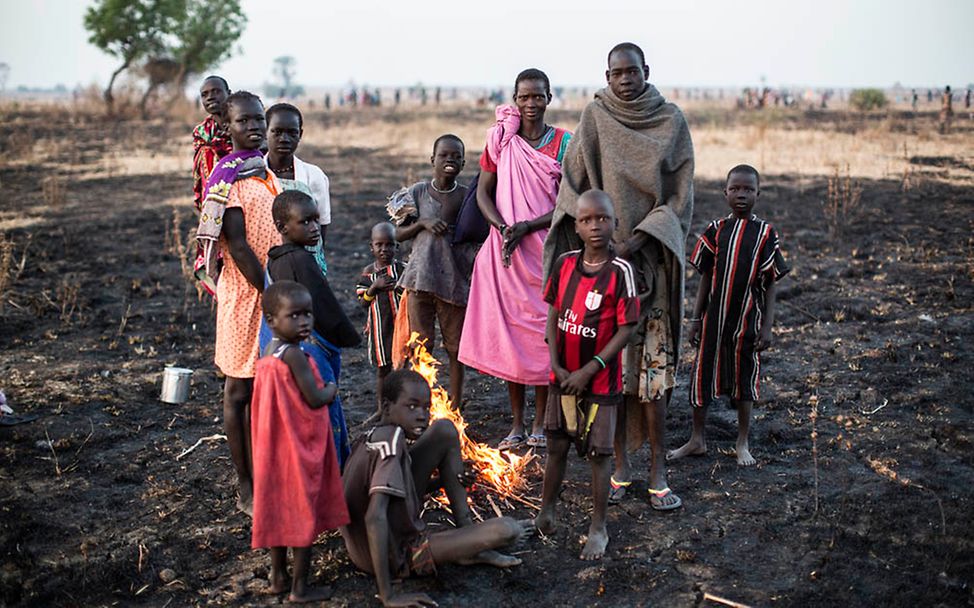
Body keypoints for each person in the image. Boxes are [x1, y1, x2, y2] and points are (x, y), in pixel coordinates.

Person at [543, 43, 694, 511]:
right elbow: (575, 184)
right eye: (616, 73)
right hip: (599, 266)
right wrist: (594, 242)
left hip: (649, 263)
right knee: (614, 370)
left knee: (652, 373)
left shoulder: (671, 122)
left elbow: (679, 197)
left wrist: (640, 239)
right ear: (605, 76)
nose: (625, 79)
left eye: (632, 71)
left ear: (646, 71)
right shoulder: (595, 118)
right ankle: (622, 466)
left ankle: (658, 470)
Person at [341, 369, 533, 608]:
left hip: (374, 539)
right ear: (387, 407)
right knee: (507, 529)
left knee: (444, 430)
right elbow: (374, 517)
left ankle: (467, 532)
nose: (422, 415)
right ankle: (467, 549)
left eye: (426, 407)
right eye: (412, 407)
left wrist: (447, 480)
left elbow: (396, 493)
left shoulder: (378, 434)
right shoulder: (390, 448)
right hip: (392, 555)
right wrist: (387, 594)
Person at [460, 69, 573, 451]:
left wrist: (527, 226)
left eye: (538, 96)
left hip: (545, 249)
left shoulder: (563, 143)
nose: (530, 104)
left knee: (542, 337)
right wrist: (503, 227)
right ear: (515, 97)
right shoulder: (500, 140)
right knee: (511, 338)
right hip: (504, 252)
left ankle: (541, 423)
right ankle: (518, 423)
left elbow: (567, 203)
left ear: (549, 98)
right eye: (523, 97)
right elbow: (483, 193)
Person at [536, 191, 639, 560]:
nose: (595, 226)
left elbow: (626, 328)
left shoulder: (621, 272)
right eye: (586, 220)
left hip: (599, 382)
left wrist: (590, 368)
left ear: (614, 223)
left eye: (603, 219)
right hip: (562, 377)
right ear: (576, 226)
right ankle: (546, 510)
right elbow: (552, 311)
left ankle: (599, 527)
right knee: (556, 446)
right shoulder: (564, 264)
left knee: (599, 455)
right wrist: (556, 363)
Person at [668, 165, 789, 466]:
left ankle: (742, 441)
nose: (741, 195)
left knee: (745, 378)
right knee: (702, 376)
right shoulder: (715, 230)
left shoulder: (765, 235)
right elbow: (705, 277)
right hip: (713, 322)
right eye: (735, 189)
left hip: (747, 321)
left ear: (758, 194)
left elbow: (771, 283)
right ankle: (697, 439)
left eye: (748, 189)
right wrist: (695, 320)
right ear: (725, 193)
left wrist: (767, 328)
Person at [197, 90, 281, 515]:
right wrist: (270, 292)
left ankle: (266, 472)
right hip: (246, 295)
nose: (253, 127)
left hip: (272, 292)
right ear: (227, 128)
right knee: (238, 389)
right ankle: (244, 485)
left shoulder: (263, 172)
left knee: (267, 386)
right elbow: (240, 246)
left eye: (258, 120)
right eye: (244, 121)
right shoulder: (226, 176)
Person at [251, 281, 350, 603]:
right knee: (301, 513)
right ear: (271, 321)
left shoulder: (270, 352)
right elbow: (314, 397)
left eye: (307, 314)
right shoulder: (295, 355)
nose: (304, 321)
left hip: (274, 448)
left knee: (279, 513)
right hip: (297, 448)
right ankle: (299, 589)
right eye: (294, 316)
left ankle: (278, 577)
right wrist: (331, 389)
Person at [260, 191, 361, 467]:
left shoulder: (277, 259)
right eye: (305, 222)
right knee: (323, 419)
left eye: (316, 220)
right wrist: (348, 335)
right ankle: (334, 477)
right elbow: (324, 306)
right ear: (283, 228)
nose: (315, 228)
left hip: (288, 346)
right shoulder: (300, 261)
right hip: (309, 350)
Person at [388, 134, 476, 407]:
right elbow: (397, 233)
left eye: (456, 156)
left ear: (463, 162)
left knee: (455, 347)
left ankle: (455, 405)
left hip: (453, 280)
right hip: (420, 278)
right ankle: (422, 400)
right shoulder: (417, 193)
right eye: (444, 155)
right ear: (432, 161)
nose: (450, 160)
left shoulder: (466, 197)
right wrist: (422, 224)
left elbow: (476, 236)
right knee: (420, 344)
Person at [264, 103, 333, 276]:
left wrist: (311, 265)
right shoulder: (255, 175)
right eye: (277, 132)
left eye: (292, 133)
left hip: (306, 263)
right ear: (265, 131)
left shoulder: (313, 175)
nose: (284, 139)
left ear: (300, 134)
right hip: (265, 262)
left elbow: (322, 224)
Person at [356, 222, 406, 417]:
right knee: (383, 369)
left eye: (389, 245)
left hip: (400, 327)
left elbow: (410, 294)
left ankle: (400, 403)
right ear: (372, 247)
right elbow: (362, 301)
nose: (384, 249)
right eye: (379, 245)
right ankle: (381, 408)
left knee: (401, 365)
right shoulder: (368, 273)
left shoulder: (402, 269)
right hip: (379, 328)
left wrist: (398, 288)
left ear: (396, 246)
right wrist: (373, 288)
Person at [191, 75, 233, 295]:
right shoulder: (201, 133)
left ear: (228, 93)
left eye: (216, 91)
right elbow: (200, 175)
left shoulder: (241, 126)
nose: (210, 97)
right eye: (204, 94)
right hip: (213, 203)